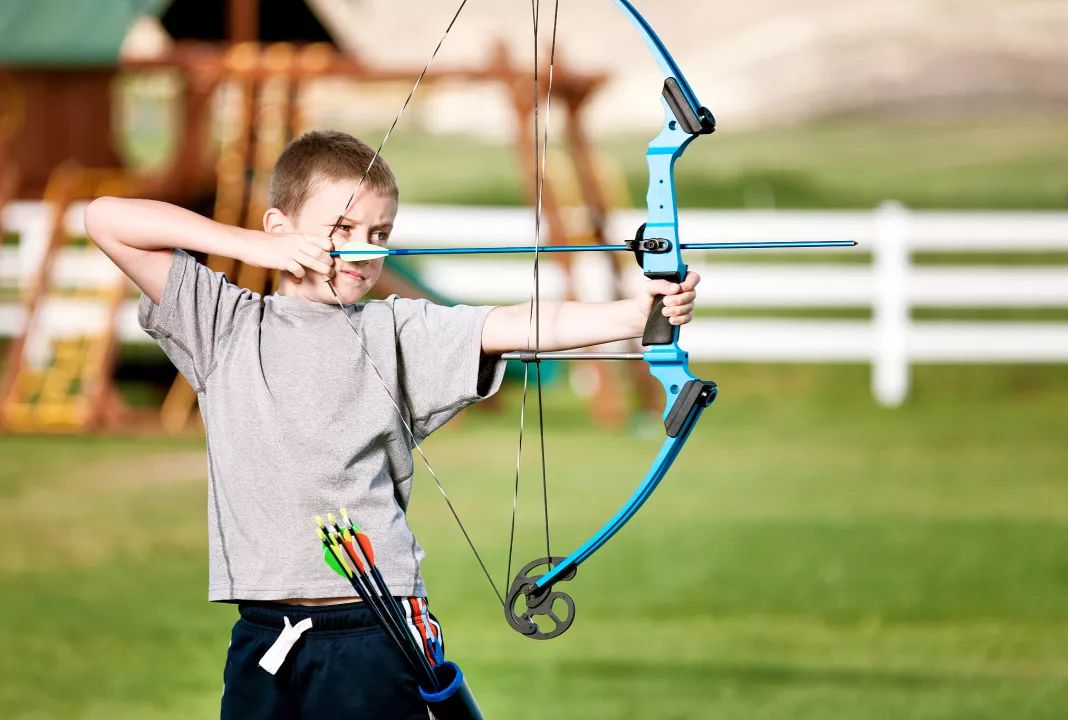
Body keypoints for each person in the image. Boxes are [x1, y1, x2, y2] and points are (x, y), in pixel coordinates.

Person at [84, 129, 699, 718]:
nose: (363, 247)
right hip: (264, 631)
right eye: (343, 228)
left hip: (375, 627)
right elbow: (106, 220)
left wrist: (639, 312)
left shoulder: (397, 330)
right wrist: (251, 245)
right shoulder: (221, 325)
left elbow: (520, 325)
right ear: (280, 226)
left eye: (380, 232)